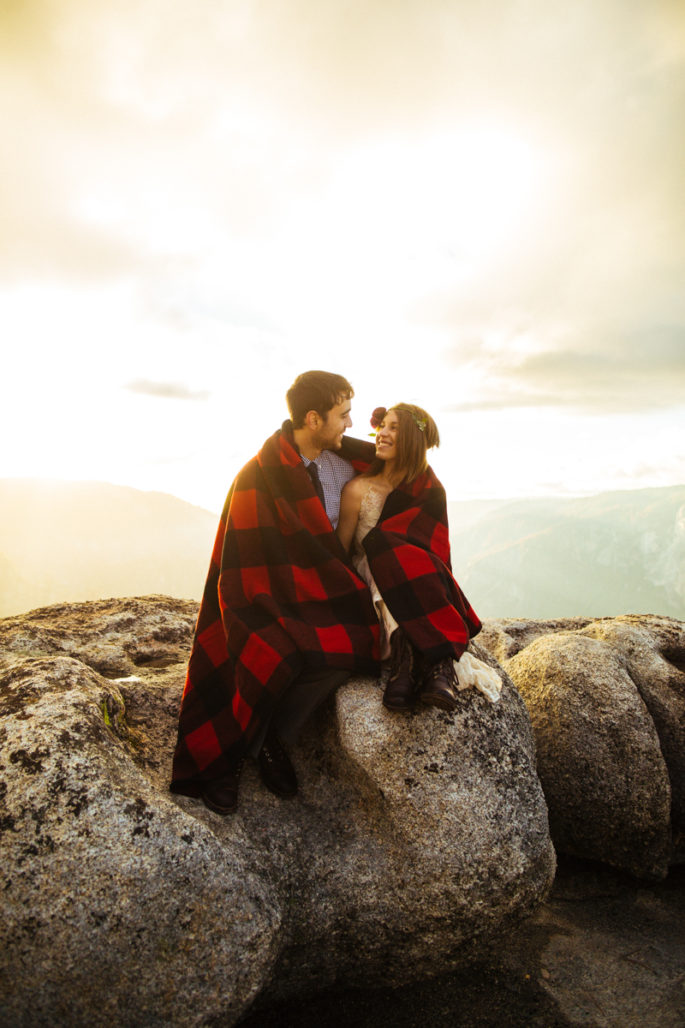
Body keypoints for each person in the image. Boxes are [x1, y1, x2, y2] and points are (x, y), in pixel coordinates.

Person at [170, 371, 380, 815]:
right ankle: (225, 764)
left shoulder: (344, 464)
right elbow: (239, 562)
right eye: (342, 415)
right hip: (262, 598)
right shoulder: (256, 476)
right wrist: (261, 607)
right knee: (266, 653)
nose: (350, 424)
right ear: (312, 418)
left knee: (360, 646)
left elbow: (403, 469)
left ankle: (271, 741)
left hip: (320, 594)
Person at [337, 403, 501, 711]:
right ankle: (432, 664)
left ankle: (408, 667)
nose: (382, 433)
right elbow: (341, 552)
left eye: (394, 428)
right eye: (382, 425)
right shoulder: (357, 490)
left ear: (412, 438)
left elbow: (435, 552)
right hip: (368, 576)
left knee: (404, 558)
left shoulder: (429, 491)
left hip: (417, 578)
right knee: (382, 553)